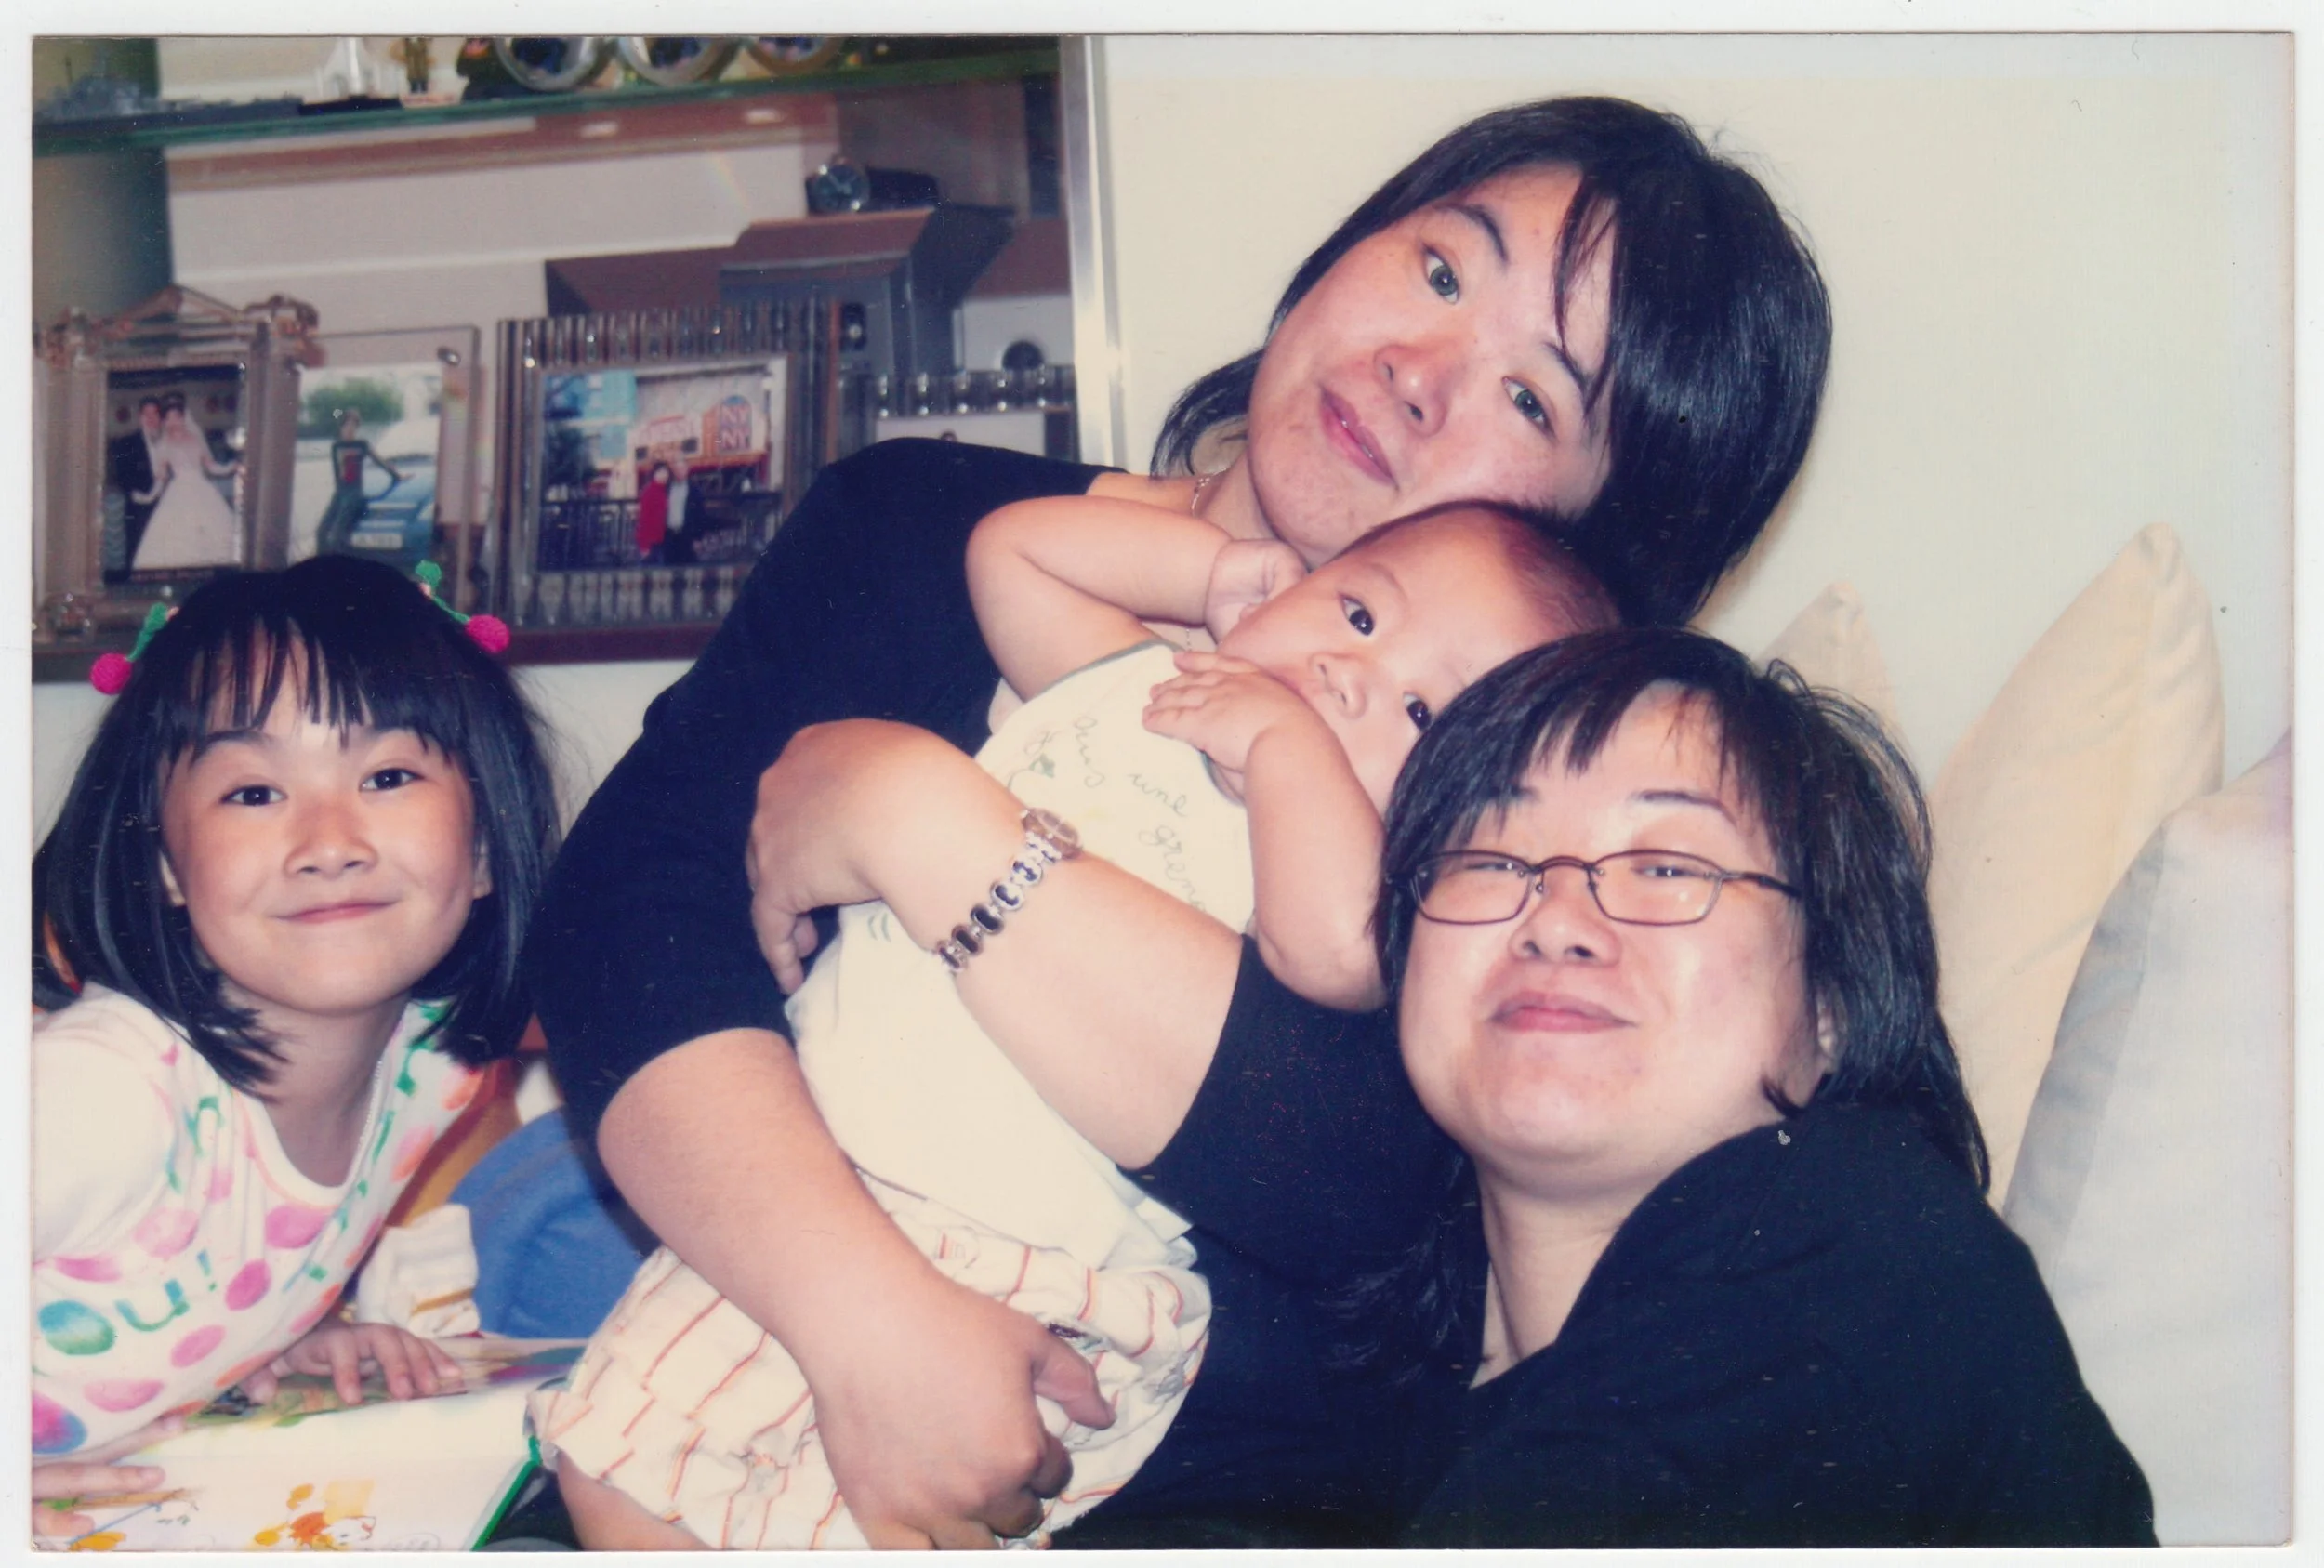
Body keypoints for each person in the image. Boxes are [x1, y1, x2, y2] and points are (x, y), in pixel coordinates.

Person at [523, 94, 1832, 1545]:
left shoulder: (1503, 822)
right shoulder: (921, 523)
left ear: (1592, 540)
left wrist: (916, 815)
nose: (1416, 370)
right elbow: (626, 922)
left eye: (1534, 398)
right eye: (1443, 270)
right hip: (729, 1380)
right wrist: (862, 1316)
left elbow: (1341, 1154)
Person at [740, 628, 2156, 1546]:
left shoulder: (1867, 1251)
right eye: (1490, 859)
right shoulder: (1368, 1397)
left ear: (1836, 1006)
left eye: (1666, 865)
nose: (1559, 911)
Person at [538, 497, 1618, 1548]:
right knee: (613, 1456)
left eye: (1422, 711)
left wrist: (1286, 743)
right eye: (1359, 612)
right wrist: (1204, 572)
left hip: (1026, 1262)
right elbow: (1009, 549)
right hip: (817, 1174)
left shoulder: (1335, 843)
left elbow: (1338, 955)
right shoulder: (1139, 684)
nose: (1349, 671)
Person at [29, 556, 561, 1539]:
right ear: (165, 866)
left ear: (485, 845)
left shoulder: (431, 1068)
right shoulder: (102, 1097)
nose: (329, 839)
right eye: (253, 793)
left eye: (388, 775)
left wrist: (274, 1327)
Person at [132, 395, 245, 573]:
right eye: (168, 418)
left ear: (183, 417)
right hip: (178, 493)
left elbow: (212, 467)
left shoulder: (196, 439)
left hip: (202, 489)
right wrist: (148, 497)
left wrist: (231, 467)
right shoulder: (164, 445)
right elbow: (160, 479)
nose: (173, 422)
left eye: (177, 417)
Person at [312, 410, 403, 559]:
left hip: (354, 494)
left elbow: (380, 462)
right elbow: (338, 475)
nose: (350, 429)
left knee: (337, 536)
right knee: (321, 532)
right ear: (341, 427)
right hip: (340, 493)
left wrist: (397, 475)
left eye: (354, 426)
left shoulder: (362, 445)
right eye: (347, 425)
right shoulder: (336, 446)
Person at [105, 397, 165, 579]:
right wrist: (138, 495)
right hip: (139, 505)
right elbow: (121, 475)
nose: (151, 418)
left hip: (167, 501)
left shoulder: (169, 438)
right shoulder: (127, 443)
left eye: (155, 413)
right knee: (138, 546)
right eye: (146, 414)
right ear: (140, 417)